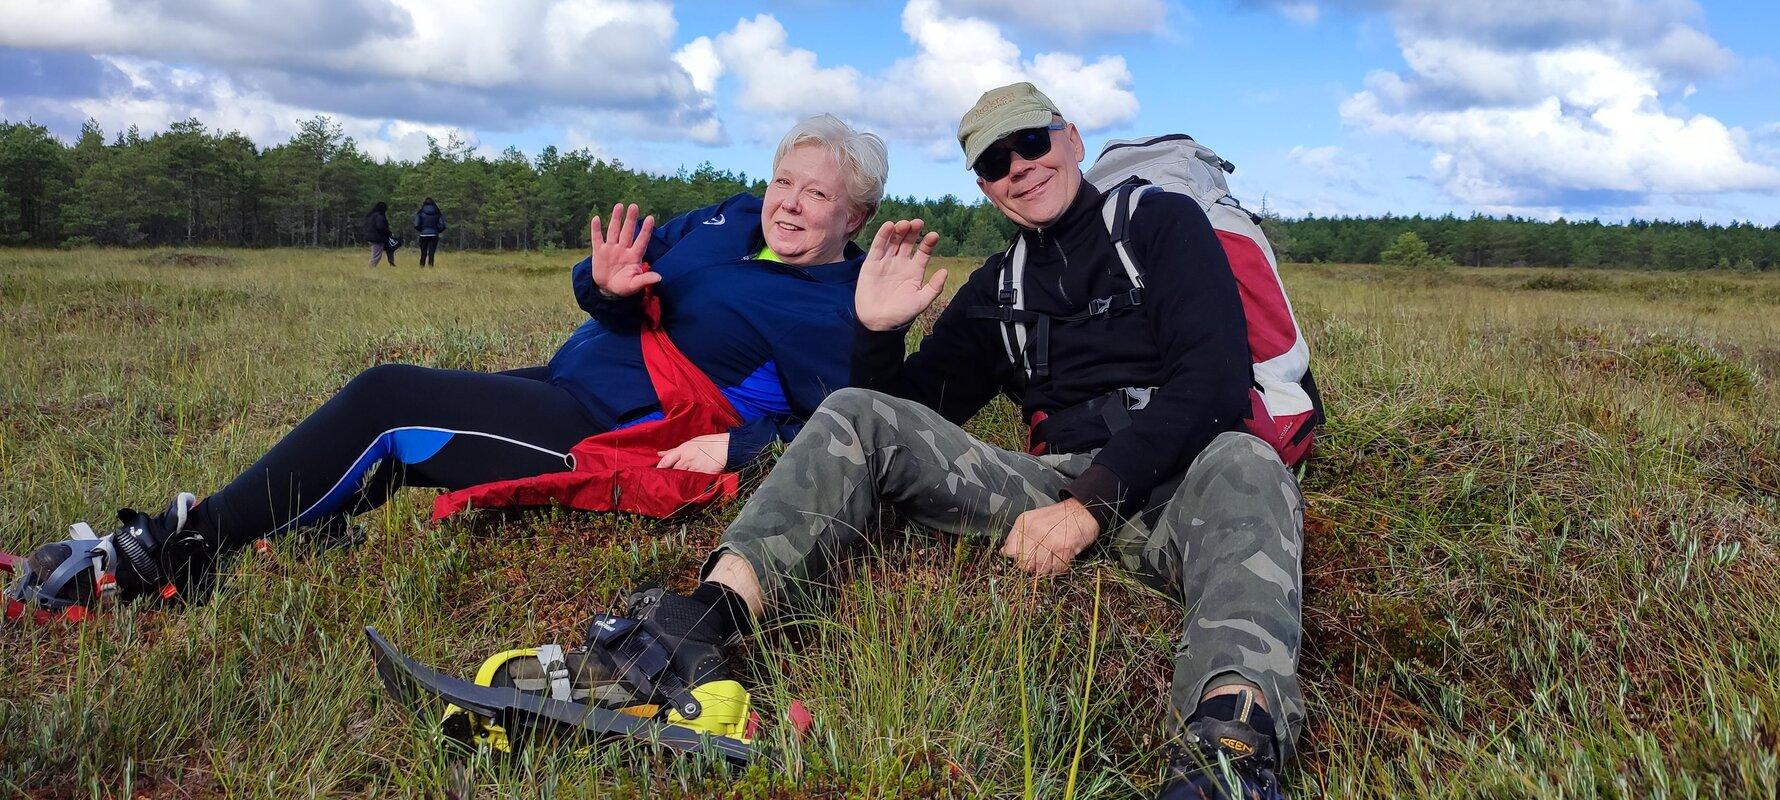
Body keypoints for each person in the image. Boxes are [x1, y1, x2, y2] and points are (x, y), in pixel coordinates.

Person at [630, 84, 1305, 799]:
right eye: (993, 160)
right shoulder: (1000, 288)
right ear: (984, 187)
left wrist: (1088, 509)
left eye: (1032, 143)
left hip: (1183, 477)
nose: (1018, 166)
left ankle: (1228, 748)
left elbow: (1216, 382)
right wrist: (878, 333)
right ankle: (696, 627)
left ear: (1071, 140)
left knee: (1248, 460)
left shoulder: (1160, 223)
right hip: (1049, 485)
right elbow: (903, 416)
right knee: (855, 408)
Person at [8, 115, 892, 618]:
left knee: (392, 402)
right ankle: (291, 522)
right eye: (786, 179)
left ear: (856, 213)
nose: (791, 201)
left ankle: (175, 556)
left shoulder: (833, 303)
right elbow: (610, 280)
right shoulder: (726, 220)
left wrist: (740, 450)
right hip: (559, 379)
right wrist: (605, 284)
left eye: (819, 193)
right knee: (410, 419)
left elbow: (850, 424)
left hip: (603, 431)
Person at [415, 197, 447, 267]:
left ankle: (421, 266)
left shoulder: (420, 212)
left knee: (423, 253)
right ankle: (430, 267)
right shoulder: (437, 212)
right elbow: (442, 225)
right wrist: (437, 231)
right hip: (434, 234)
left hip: (423, 235)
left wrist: (422, 230)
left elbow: (416, 225)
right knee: (431, 252)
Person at [363, 202, 395, 267]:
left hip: (373, 237)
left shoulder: (370, 216)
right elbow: (381, 227)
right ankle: (371, 267)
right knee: (376, 255)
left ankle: (392, 264)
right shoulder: (379, 216)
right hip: (378, 238)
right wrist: (388, 232)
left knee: (390, 250)